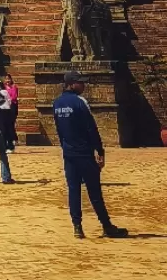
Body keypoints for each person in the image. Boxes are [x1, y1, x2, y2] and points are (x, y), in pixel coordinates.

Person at [53, 70, 128, 238]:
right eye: (80, 82)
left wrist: (65, 147)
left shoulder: (57, 104)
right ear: (71, 84)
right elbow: (91, 129)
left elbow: (59, 130)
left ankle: (77, 227)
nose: (83, 85)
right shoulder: (80, 102)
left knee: (74, 190)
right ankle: (106, 225)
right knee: (94, 191)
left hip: (69, 153)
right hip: (84, 153)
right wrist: (100, 150)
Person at [0, 73, 19, 151]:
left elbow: (14, 97)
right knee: (4, 127)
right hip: (4, 108)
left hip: (11, 107)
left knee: (10, 125)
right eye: (6, 79)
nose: (7, 80)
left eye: (8, 79)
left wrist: (8, 100)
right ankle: (6, 144)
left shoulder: (14, 87)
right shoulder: (3, 88)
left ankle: (12, 142)